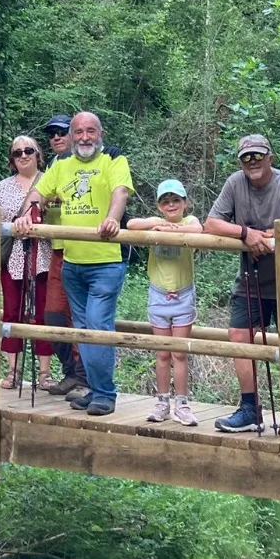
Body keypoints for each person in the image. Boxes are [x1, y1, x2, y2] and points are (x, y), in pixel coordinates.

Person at [17, 112, 131, 417]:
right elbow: (39, 192)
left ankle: (105, 392)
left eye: (90, 131)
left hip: (105, 262)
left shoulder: (113, 160)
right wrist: (30, 211)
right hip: (72, 262)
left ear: (100, 132)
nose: (84, 137)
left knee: (96, 326)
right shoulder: (62, 164)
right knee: (81, 329)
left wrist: (112, 218)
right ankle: (93, 388)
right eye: (78, 132)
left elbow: (120, 192)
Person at [203, 134, 280, 433]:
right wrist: (245, 234)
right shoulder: (234, 183)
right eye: (246, 158)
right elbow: (211, 223)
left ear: (270, 157)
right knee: (239, 334)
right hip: (251, 278)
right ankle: (249, 408)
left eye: (258, 156)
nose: (252, 162)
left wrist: (263, 236)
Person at [127, 179, 201, 427]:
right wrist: (158, 225)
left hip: (183, 295)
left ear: (185, 203)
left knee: (179, 353)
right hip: (158, 296)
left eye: (176, 200)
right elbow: (131, 224)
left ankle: (182, 403)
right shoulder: (154, 224)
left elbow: (199, 230)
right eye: (166, 201)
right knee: (162, 353)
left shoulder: (189, 222)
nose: (171, 205)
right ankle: (162, 402)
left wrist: (171, 231)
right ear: (159, 206)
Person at [0, 135, 52, 389]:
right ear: (12, 159)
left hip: (43, 257)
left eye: (28, 151)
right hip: (13, 258)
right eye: (17, 152)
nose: (23, 155)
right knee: (13, 312)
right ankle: (13, 370)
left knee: (43, 313)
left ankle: (44, 372)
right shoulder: (4, 186)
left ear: (37, 154)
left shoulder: (50, 181)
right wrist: (13, 225)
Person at [38, 115, 88, 396]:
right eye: (51, 134)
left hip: (82, 249)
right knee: (54, 315)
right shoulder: (52, 167)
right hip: (57, 248)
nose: (56, 137)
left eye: (61, 132)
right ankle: (70, 371)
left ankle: (84, 377)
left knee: (79, 315)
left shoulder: (84, 164)